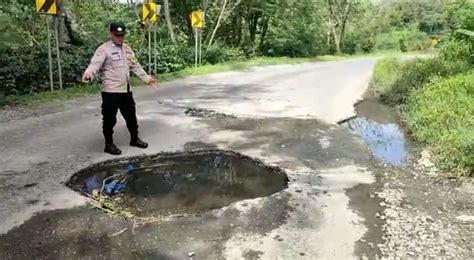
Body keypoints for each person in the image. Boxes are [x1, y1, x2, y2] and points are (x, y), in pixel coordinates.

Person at [82, 21, 158, 155]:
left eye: (122, 35)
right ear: (110, 34)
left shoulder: (127, 49)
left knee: (131, 117)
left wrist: (147, 79)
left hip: (125, 90)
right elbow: (95, 65)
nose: (120, 38)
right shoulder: (103, 49)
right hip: (110, 91)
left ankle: (134, 139)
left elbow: (136, 66)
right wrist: (88, 74)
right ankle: (109, 144)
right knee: (110, 119)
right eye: (117, 35)